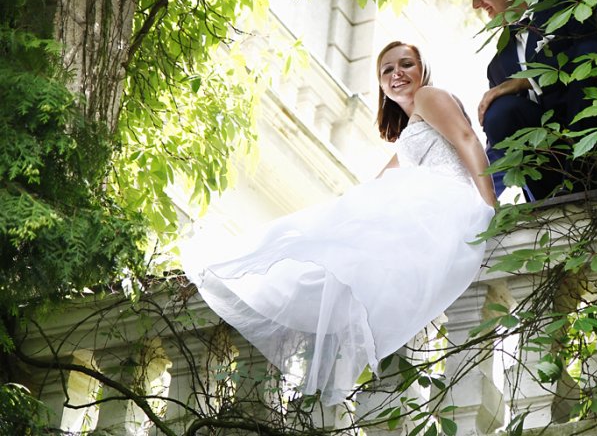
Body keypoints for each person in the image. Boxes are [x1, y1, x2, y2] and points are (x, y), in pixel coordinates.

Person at [182, 41, 495, 405]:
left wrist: (490, 204)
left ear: (422, 69)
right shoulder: (410, 133)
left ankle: (271, 275)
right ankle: (271, 278)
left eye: (406, 64)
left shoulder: (429, 96)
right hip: (426, 202)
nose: (397, 74)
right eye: (387, 70)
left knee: (342, 236)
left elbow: (467, 138)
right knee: (337, 231)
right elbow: (376, 185)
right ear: (380, 86)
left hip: (445, 199)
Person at [460, 0, 597, 200]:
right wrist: (479, 205)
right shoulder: (497, 67)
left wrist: (528, 81)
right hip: (548, 181)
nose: (476, 3)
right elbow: (500, 144)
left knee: (587, 57)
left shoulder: (566, 5)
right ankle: (547, 201)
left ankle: (587, 182)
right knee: (500, 112)